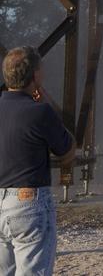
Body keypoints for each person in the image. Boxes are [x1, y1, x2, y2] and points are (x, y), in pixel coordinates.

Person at [0, 47, 75, 276]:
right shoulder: (40, 112)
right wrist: (47, 101)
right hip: (28, 203)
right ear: (35, 76)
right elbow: (68, 150)